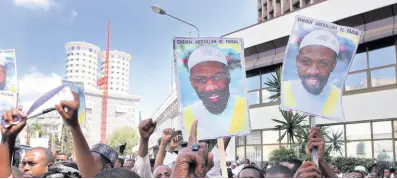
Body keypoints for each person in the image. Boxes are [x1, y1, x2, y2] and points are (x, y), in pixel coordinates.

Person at [182, 45, 249, 138]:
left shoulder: (244, 107)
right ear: (192, 83)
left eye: (217, 77)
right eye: (201, 80)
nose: (211, 87)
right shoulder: (185, 115)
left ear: (228, 76)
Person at [282, 29, 342, 117]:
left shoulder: (338, 96)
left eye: (323, 63)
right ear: (297, 61)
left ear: (333, 66)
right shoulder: (284, 90)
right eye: (306, 62)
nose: (313, 71)